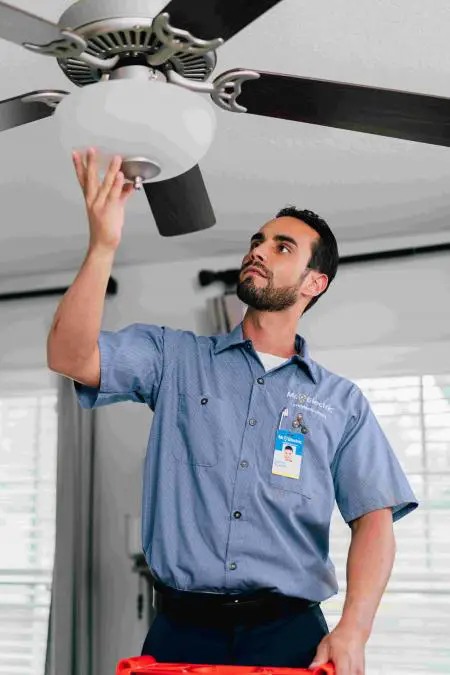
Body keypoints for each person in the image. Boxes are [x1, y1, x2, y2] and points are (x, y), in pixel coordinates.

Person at [47, 149, 419, 675]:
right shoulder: (172, 358)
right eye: (257, 241)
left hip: (290, 636)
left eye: (282, 246)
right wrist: (104, 245)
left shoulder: (340, 402)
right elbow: (69, 356)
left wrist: (354, 629)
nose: (259, 251)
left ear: (314, 283)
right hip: (180, 628)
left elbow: (375, 520)